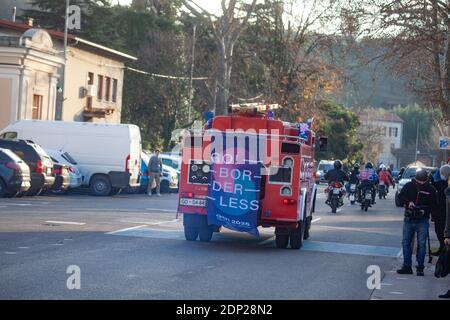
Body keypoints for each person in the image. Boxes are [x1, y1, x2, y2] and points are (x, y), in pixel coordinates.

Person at [397, 169, 437, 276]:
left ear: (426, 180)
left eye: (423, 182)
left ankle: (420, 267)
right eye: (419, 181)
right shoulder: (409, 186)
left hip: (422, 219)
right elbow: (400, 197)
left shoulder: (430, 189)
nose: (421, 183)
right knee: (406, 242)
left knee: (422, 244)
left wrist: (425, 210)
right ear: (415, 179)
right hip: (409, 218)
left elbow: (434, 205)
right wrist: (408, 202)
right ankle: (407, 266)